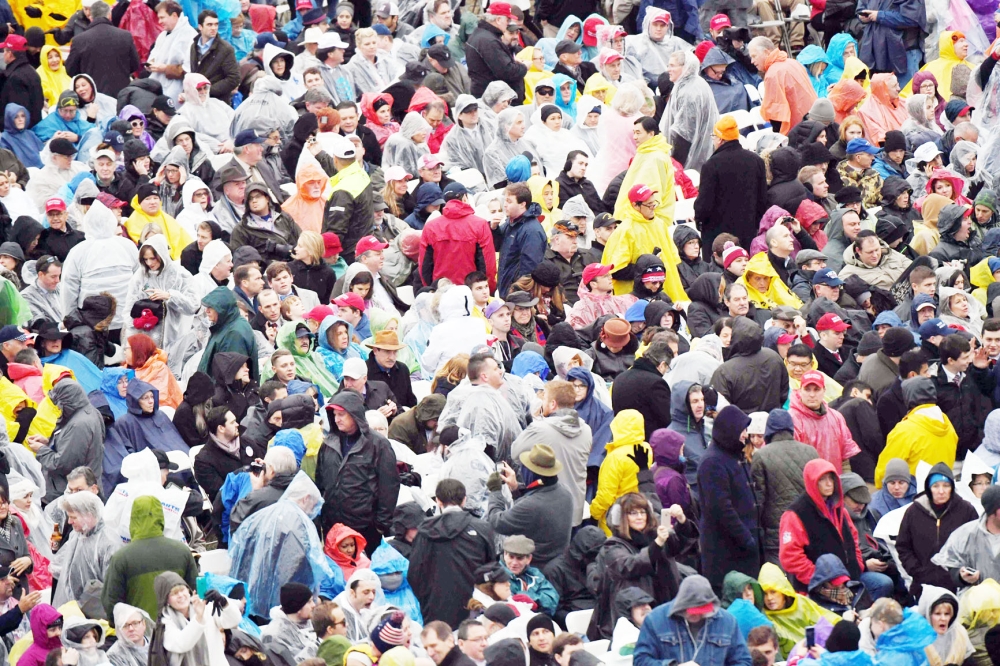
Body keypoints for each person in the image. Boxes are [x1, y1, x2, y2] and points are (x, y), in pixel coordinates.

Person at [587, 493, 694, 640]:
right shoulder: (612, 545)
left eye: (643, 512)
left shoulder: (656, 535)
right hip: (635, 615)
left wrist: (682, 521)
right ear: (622, 517)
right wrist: (657, 545)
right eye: (633, 513)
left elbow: (680, 546)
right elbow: (630, 565)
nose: (639, 517)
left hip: (667, 605)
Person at [409, 479, 493, 625]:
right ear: (464, 500)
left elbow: (414, 574)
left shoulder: (424, 531)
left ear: (438, 501)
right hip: (475, 608)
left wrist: (428, 599)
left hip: (436, 609)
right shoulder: (483, 528)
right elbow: (491, 569)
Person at [101, 495, 199, 621]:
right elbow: (195, 592)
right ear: (161, 517)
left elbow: (111, 602)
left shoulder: (121, 558)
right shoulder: (182, 551)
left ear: (132, 519)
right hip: (179, 630)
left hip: (139, 634)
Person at [895, 462, 979, 599]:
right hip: (923, 585)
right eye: (936, 486)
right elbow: (903, 546)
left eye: (946, 486)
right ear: (929, 488)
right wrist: (917, 571)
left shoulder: (966, 510)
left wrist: (963, 573)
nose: (941, 491)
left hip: (958, 585)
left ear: (952, 487)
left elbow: (976, 544)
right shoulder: (913, 512)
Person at [633, 575, 752, 666]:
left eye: (703, 611)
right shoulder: (655, 620)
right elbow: (640, 661)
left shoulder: (727, 622)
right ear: (681, 606)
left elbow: (743, 661)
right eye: (693, 612)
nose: (698, 615)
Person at [751, 409, 818, 564]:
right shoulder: (811, 452)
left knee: (781, 581)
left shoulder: (761, 456)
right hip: (808, 527)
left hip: (777, 533)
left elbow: (758, 500)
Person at [695, 117, 769, 253]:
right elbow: (762, 199)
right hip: (748, 231)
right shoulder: (756, 160)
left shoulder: (711, 166)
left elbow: (704, 204)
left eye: (713, 136)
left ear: (720, 139)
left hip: (718, 236)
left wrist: (699, 219)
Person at [27, 380, 104, 504]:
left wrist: (41, 450)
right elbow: (78, 447)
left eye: (59, 403)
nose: (57, 407)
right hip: (84, 487)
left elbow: (63, 464)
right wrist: (48, 442)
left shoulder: (79, 424)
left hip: (71, 494)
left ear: (68, 401)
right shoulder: (90, 412)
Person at [875, 377, 958, 486]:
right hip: (940, 492)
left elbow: (886, 470)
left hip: (910, 496)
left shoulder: (905, 430)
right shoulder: (948, 426)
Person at [49, 489, 122, 609]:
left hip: (95, 612)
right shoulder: (77, 535)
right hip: (71, 608)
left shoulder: (109, 544)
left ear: (89, 515)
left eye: (73, 517)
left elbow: (111, 588)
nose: (69, 521)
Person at [153, 570, 243, 666]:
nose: (180, 595)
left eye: (182, 590)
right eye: (174, 593)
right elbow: (182, 644)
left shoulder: (206, 605)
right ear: (166, 600)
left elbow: (234, 621)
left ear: (189, 591)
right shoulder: (165, 622)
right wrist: (199, 618)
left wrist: (223, 602)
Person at [712, 317, 789, 413]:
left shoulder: (724, 371)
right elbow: (784, 391)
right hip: (772, 421)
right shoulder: (773, 357)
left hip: (741, 425)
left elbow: (718, 407)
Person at [660, 51, 718, 171]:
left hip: (693, 155)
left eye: (672, 66)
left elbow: (684, 134)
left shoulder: (688, 92)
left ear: (685, 67)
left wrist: (676, 165)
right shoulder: (696, 83)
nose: (668, 69)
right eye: (668, 65)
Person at [749, 37, 817, 134]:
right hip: (814, 120)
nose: (752, 61)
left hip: (798, 130)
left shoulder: (773, 74)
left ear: (766, 52)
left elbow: (776, 114)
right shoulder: (793, 62)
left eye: (754, 56)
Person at [466, 4, 528, 101]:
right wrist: (524, 67)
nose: (509, 23)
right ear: (498, 20)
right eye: (507, 20)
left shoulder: (481, 35)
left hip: (492, 98)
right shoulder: (489, 41)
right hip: (493, 101)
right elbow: (507, 72)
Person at [199, 287, 259, 383]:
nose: (207, 311)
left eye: (211, 307)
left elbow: (233, 377)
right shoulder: (226, 325)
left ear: (222, 308)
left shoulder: (234, 334)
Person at [190, 10, 240, 101]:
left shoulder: (226, 49)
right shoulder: (194, 46)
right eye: (209, 25)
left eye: (216, 24)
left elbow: (234, 78)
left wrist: (207, 91)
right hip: (197, 101)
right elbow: (193, 73)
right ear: (200, 27)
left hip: (217, 102)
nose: (214, 28)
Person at [0, 37, 44, 135]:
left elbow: (17, 113)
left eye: (4, 50)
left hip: (19, 135)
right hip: (34, 131)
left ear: (10, 53)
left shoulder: (15, 78)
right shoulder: (33, 72)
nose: (3, 54)